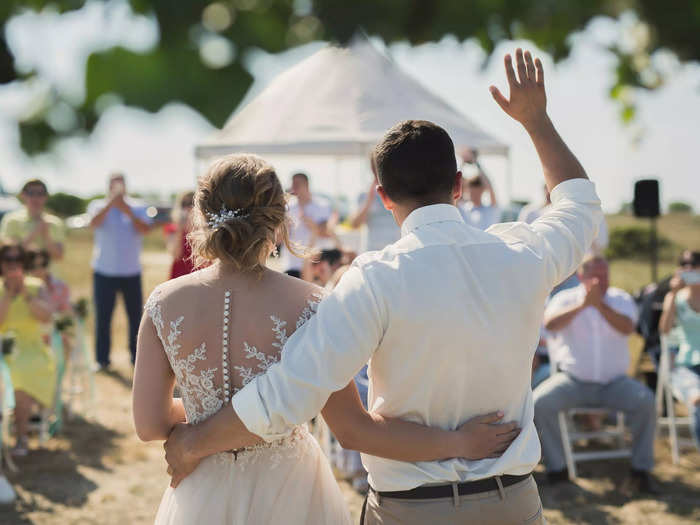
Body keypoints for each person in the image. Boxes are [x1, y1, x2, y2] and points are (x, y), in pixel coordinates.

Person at [164, 49, 603, 524]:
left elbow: (291, 390)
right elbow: (579, 206)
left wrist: (195, 440)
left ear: (382, 196)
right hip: (512, 503)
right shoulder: (526, 254)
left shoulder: (374, 280)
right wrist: (535, 121)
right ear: (457, 184)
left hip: (411, 510)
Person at [132, 154, 520, 524]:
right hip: (288, 490)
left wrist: (206, 415)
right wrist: (459, 444)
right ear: (279, 220)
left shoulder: (164, 302)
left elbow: (149, 425)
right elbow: (355, 428)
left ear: (201, 216)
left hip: (201, 489)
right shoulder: (311, 304)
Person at [535, 255, 656, 492]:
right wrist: (583, 305)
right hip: (573, 381)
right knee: (540, 403)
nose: (603, 280)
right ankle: (557, 470)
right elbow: (550, 325)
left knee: (646, 402)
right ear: (582, 277)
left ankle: (641, 471)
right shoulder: (564, 299)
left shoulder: (620, 299)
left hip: (615, 383)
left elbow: (627, 327)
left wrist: (600, 305)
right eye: (597, 276)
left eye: (606, 275)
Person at [88, 173, 152, 369]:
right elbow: (93, 224)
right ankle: (102, 360)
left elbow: (144, 229)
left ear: (125, 186)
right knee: (103, 317)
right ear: (108, 186)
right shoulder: (97, 205)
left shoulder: (138, 206)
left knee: (135, 317)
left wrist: (127, 210)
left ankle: (136, 358)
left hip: (131, 271)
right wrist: (110, 205)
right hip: (103, 271)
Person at [0, 243, 54, 455]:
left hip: (31, 349)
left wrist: (24, 294)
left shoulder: (35, 286)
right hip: (3, 347)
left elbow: (46, 316)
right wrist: (7, 294)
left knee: (21, 375)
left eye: (17, 260)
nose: (13, 265)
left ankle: (21, 437)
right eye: (8, 260)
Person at [659, 250, 700, 450]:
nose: (689, 269)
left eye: (694, 265)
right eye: (684, 265)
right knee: (698, 400)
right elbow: (664, 330)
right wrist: (673, 294)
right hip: (686, 364)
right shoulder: (675, 298)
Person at [279, 173, 332, 277]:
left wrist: (311, 224)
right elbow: (279, 239)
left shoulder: (322, 205)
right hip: (291, 264)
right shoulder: (287, 207)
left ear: (306, 185)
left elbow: (325, 232)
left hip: (314, 265)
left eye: (297, 184)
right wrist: (284, 228)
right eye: (293, 184)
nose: (293, 188)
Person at [0, 179, 66, 260]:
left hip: (48, 272)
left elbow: (59, 256)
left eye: (40, 193)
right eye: (31, 193)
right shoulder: (11, 220)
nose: (35, 197)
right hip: (21, 273)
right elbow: (10, 254)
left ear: (46, 197)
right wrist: (35, 232)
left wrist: (46, 235)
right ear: (22, 195)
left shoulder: (55, 222)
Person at [350, 156, 400, 253]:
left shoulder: (399, 192)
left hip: (396, 253)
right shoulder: (364, 195)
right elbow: (354, 224)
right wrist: (369, 199)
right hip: (371, 253)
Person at [457, 149, 501, 230]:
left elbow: (490, 187)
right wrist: (463, 163)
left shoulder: (490, 209)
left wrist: (476, 163)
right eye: (471, 189)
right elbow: (457, 183)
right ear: (467, 189)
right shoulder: (463, 208)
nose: (474, 193)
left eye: (477, 189)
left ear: (483, 190)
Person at [164, 191, 196, 279]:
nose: (188, 207)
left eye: (192, 203)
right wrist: (180, 230)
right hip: (179, 274)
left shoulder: (203, 230)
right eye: (184, 204)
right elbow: (176, 255)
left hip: (199, 274)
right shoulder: (172, 227)